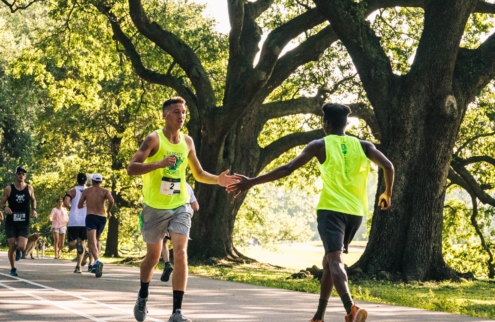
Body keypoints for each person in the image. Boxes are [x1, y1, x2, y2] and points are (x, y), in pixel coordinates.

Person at [227, 103, 394, 322]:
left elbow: (287, 168)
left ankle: (350, 308)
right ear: (346, 123)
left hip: (331, 211)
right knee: (328, 263)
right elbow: (388, 166)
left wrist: (252, 182)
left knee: (335, 261)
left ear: (326, 124)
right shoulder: (364, 146)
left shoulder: (319, 144)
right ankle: (319, 316)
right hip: (355, 212)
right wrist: (387, 193)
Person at [127, 96, 239, 322]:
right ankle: (143, 295)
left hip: (180, 205)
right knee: (153, 257)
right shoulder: (153, 139)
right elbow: (131, 168)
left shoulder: (187, 142)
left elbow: (197, 173)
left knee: (180, 252)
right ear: (165, 115)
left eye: (184, 112)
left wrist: (218, 180)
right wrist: (158, 163)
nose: (181, 116)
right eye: (176, 112)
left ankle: (177, 312)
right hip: (155, 207)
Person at [0, 166, 37, 276]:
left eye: (23, 174)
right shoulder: (9, 189)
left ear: (25, 176)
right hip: (11, 222)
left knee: (21, 246)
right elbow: (1, 203)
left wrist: (34, 210)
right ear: (15, 175)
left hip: (23, 222)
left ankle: (19, 250)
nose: (21, 175)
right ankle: (13, 268)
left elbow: (33, 199)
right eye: (19, 173)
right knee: (11, 245)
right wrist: (5, 207)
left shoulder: (29, 188)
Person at [160, 182, 199, 283]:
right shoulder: (188, 187)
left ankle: (167, 263)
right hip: (182, 217)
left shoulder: (168, 182)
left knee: (163, 240)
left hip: (166, 214)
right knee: (180, 250)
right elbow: (196, 207)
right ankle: (178, 272)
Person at [77, 173, 114, 278]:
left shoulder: (87, 191)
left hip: (91, 217)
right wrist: (108, 211)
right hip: (102, 218)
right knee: (97, 240)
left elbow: (79, 205)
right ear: (101, 182)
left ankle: (97, 261)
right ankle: (95, 262)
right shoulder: (105, 191)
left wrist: (87, 203)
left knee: (91, 241)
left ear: (92, 181)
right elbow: (112, 200)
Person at [64, 173, 94, 273]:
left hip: (74, 220)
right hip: (86, 220)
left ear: (77, 180)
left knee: (72, 244)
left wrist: (70, 208)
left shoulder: (72, 191)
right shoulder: (90, 191)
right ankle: (78, 266)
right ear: (86, 181)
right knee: (83, 242)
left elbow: (65, 202)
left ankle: (78, 264)